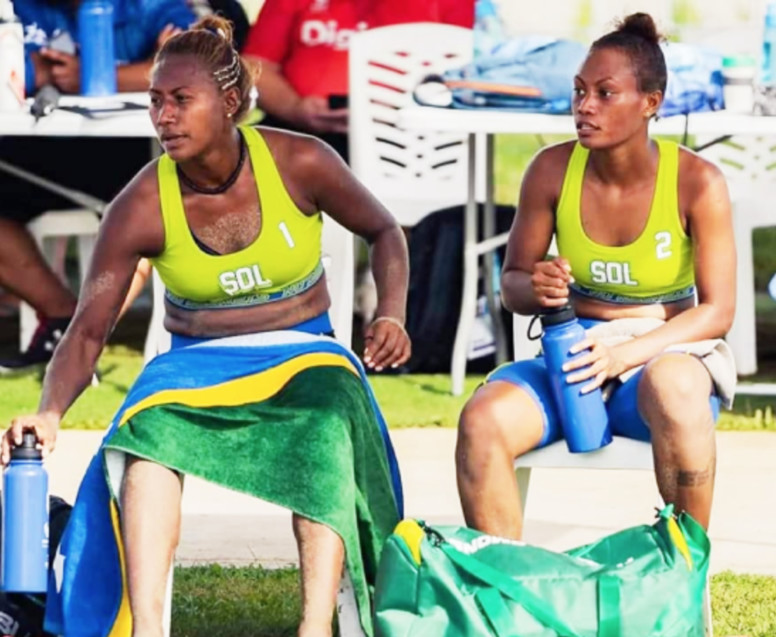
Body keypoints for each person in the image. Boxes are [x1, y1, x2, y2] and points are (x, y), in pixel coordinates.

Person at [2, 15, 410, 637]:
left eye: (180, 101)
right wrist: (51, 412)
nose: (163, 116)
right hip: (193, 363)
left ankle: (315, 627)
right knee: (142, 445)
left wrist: (390, 312)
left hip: (305, 351)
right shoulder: (139, 204)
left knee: (328, 426)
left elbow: (386, 231)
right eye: (155, 102)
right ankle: (144, 626)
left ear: (231, 103)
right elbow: (88, 328)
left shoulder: (300, 160)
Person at [455, 13, 736, 537]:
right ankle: (507, 597)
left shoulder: (699, 181)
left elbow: (718, 312)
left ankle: (683, 577)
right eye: (579, 91)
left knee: (676, 386)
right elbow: (511, 285)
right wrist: (536, 286)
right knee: (482, 418)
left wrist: (624, 356)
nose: (584, 107)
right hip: (573, 356)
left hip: (661, 358)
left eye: (605, 93)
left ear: (650, 103)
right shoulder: (551, 169)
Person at [0, 0, 198, 373]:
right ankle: (65, 321)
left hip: (130, 152)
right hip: (36, 150)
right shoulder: (20, 7)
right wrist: (34, 70)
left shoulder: (149, 5)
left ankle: (88, 334)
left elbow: (192, 64)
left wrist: (96, 73)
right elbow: (12, 74)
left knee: (153, 215)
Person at [242, 0, 473, 162]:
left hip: (407, 137)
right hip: (300, 130)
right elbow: (255, 65)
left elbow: (463, 76)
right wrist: (294, 108)